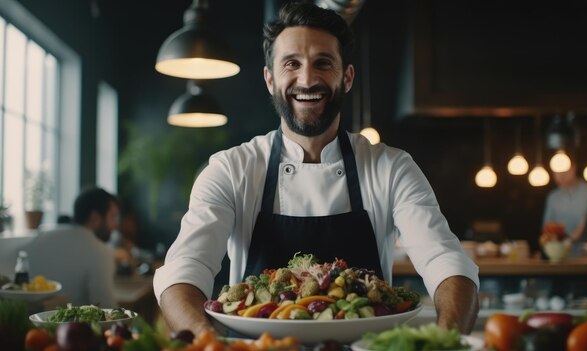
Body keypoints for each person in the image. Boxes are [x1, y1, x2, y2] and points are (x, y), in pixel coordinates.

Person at [154, 2, 479, 336]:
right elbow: (184, 270)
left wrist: (444, 342)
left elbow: (446, 263)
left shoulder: (392, 168)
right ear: (269, 79)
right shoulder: (231, 169)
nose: (307, 79)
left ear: (347, 76)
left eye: (322, 63)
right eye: (291, 63)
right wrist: (207, 342)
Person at [22, 186, 120, 306]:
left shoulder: (41, 236)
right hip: (71, 324)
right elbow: (107, 309)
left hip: (29, 322)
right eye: (113, 216)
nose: (116, 225)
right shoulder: (100, 251)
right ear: (95, 218)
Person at [543, 163, 587, 257]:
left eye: (564, 171)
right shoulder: (553, 197)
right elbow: (547, 230)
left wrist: (586, 250)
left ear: (573, 168)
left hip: (585, 259)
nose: (561, 175)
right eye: (557, 172)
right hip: (558, 258)